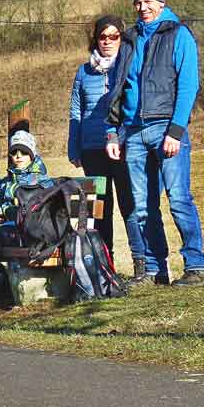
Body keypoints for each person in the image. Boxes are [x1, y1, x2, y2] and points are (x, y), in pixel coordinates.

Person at [106, 0, 204, 287]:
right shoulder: (129, 39)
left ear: (161, 3)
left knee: (179, 199)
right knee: (142, 206)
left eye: (148, 1)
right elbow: (118, 88)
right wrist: (113, 132)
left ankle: (196, 266)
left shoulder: (179, 35)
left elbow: (188, 85)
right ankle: (154, 270)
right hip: (134, 132)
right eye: (138, 2)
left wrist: (176, 131)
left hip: (166, 127)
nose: (142, 7)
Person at [68, 16, 149, 277]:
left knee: (130, 204)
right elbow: (76, 111)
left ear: (121, 39)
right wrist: (74, 146)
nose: (107, 41)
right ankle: (106, 265)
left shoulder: (128, 67)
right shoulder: (84, 71)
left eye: (114, 36)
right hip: (91, 149)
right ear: (96, 40)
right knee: (99, 210)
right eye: (103, 36)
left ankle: (141, 263)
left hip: (122, 147)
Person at [0, 130, 52, 315]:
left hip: (29, 233)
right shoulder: (7, 181)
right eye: (14, 152)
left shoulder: (40, 181)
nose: (18, 156)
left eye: (23, 152)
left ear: (32, 154)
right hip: (4, 228)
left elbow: (30, 211)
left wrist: (6, 212)